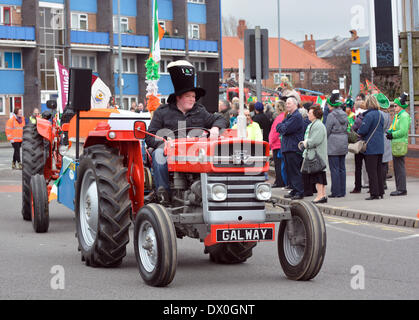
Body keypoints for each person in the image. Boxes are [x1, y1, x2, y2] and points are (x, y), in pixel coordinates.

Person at [145, 60, 228, 202]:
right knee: (159, 155)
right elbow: (150, 135)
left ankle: (213, 192)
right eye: (188, 96)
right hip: (168, 149)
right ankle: (163, 193)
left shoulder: (200, 111)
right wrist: (164, 142)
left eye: (194, 97)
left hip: (193, 149)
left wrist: (215, 128)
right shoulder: (162, 112)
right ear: (178, 97)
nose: (192, 100)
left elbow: (220, 119)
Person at [277, 96, 305, 200]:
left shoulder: (296, 116)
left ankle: (299, 191)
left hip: (293, 148)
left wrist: (282, 126)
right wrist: (281, 126)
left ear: (295, 104)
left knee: (295, 171)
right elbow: (279, 126)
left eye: (289, 103)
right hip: (288, 147)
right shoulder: (290, 116)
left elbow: (285, 129)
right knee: (290, 171)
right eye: (286, 103)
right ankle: (294, 189)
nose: (287, 105)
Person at [357, 95, 385, 200]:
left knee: (371, 171)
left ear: (368, 104)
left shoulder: (369, 116)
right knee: (378, 170)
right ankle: (381, 191)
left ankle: (374, 193)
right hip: (379, 146)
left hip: (371, 146)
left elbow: (363, 130)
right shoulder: (380, 115)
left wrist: (358, 132)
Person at [300, 105, 328, 203]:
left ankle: (320, 195)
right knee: (320, 175)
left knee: (318, 176)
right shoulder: (317, 124)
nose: (308, 114)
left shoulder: (318, 125)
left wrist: (305, 143)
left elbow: (315, 140)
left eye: (310, 113)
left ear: (315, 115)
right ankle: (323, 195)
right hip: (318, 155)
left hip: (317, 155)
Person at [386, 92, 411, 196]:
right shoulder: (398, 115)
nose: (394, 107)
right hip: (396, 144)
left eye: (395, 106)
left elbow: (403, 131)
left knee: (399, 167)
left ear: (401, 106)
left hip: (400, 143)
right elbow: (394, 127)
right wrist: (390, 132)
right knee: (397, 167)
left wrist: (392, 135)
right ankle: (400, 188)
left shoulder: (404, 116)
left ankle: (401, 189)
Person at [325, 94, 348, 198]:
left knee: (334, 168)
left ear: (331, 105)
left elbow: (327, 130)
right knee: (342, 168)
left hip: (333, 143)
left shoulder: (331, 115)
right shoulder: (344, 114)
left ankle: (335, 191)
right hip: (343, 142)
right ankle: (342, 191)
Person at [350, 99, 368, 193]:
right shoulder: (367, 117)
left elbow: (353, 129)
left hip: (359, 144)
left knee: (358, 167)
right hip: (367, 144)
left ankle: (357, 187)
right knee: (368, 167)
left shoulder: (359, 119)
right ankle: (371, 185)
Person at [375, 93, 392, 190]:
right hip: (386, 137)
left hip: (380, 138)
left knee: (380, 163)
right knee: (385, 163)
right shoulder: (387, 114)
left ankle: (381, 182)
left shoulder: (379, 114)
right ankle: (384, 182)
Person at [269, 100, 286, 188]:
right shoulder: (284, 116)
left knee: (278, 165)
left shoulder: (279, 118)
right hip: (280, 144)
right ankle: (281, 181)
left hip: (277, 144)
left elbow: (275, 132)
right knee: (280, 165)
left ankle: (279, 181)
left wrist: (270, 143)